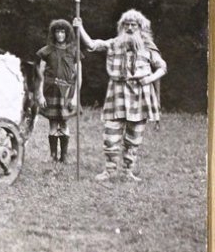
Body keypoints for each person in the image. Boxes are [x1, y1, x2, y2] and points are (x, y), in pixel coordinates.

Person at [74, 10, 167, 182]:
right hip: (117, 92)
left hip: (140, 94)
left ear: (141, 28)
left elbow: (162, 66)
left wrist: (149, 79)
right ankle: (109, 170)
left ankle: (127, 171)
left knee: (134, 135)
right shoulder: (115, 44)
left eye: (134, 25)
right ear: (122, 26)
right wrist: (80, 29)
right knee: (111, 133)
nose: (130, 28)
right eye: (127, 25)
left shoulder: (148, 47)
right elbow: (93, 45)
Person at [36, 19, 82, 163]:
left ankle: (64, 156)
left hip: (67, 92)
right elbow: (40, 74)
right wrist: (40, 94)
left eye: (62, 32)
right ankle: (53, 155)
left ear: (67, 34)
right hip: (51, 92)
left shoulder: (73, 52)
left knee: (64, 123)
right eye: (57, 31)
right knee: (53, 124)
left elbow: (79, 75)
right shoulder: (47, 51)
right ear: (53, 33)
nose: (60, 35)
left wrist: (75, 97)